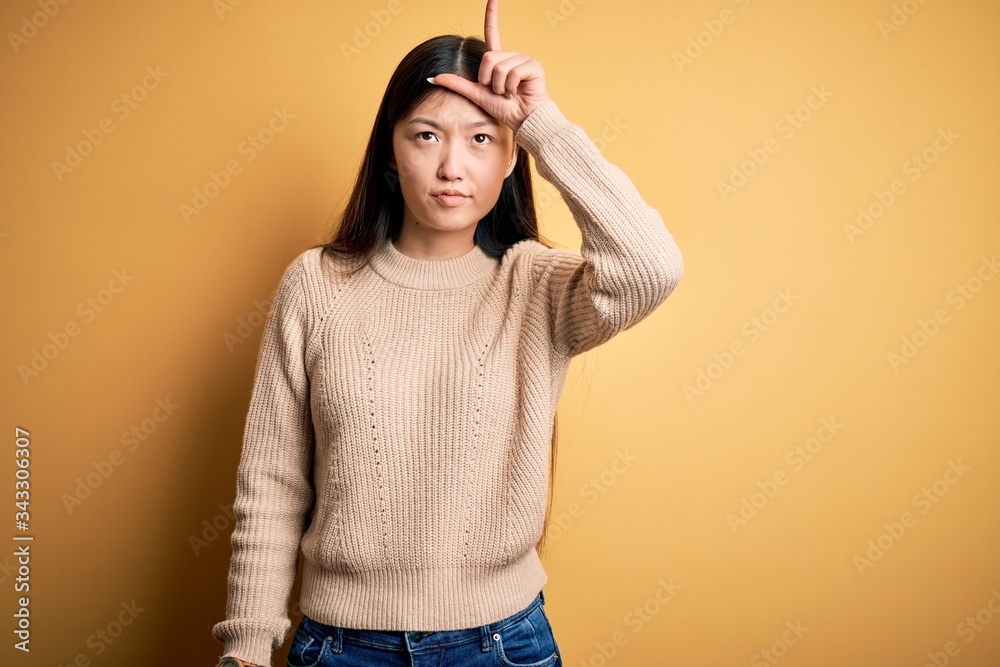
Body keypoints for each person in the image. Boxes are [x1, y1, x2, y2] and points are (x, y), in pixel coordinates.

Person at [211, 1, 684, 665]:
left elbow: (651, 266)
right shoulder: (316, 285)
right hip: (341, 646)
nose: (452, 165)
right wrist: (246, 647)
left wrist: (541, 125)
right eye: (426, 135)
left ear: (511, 159)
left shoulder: (536, 287)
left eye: (482, 138)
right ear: (391, 152)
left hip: (501, 644)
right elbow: (270, 481)